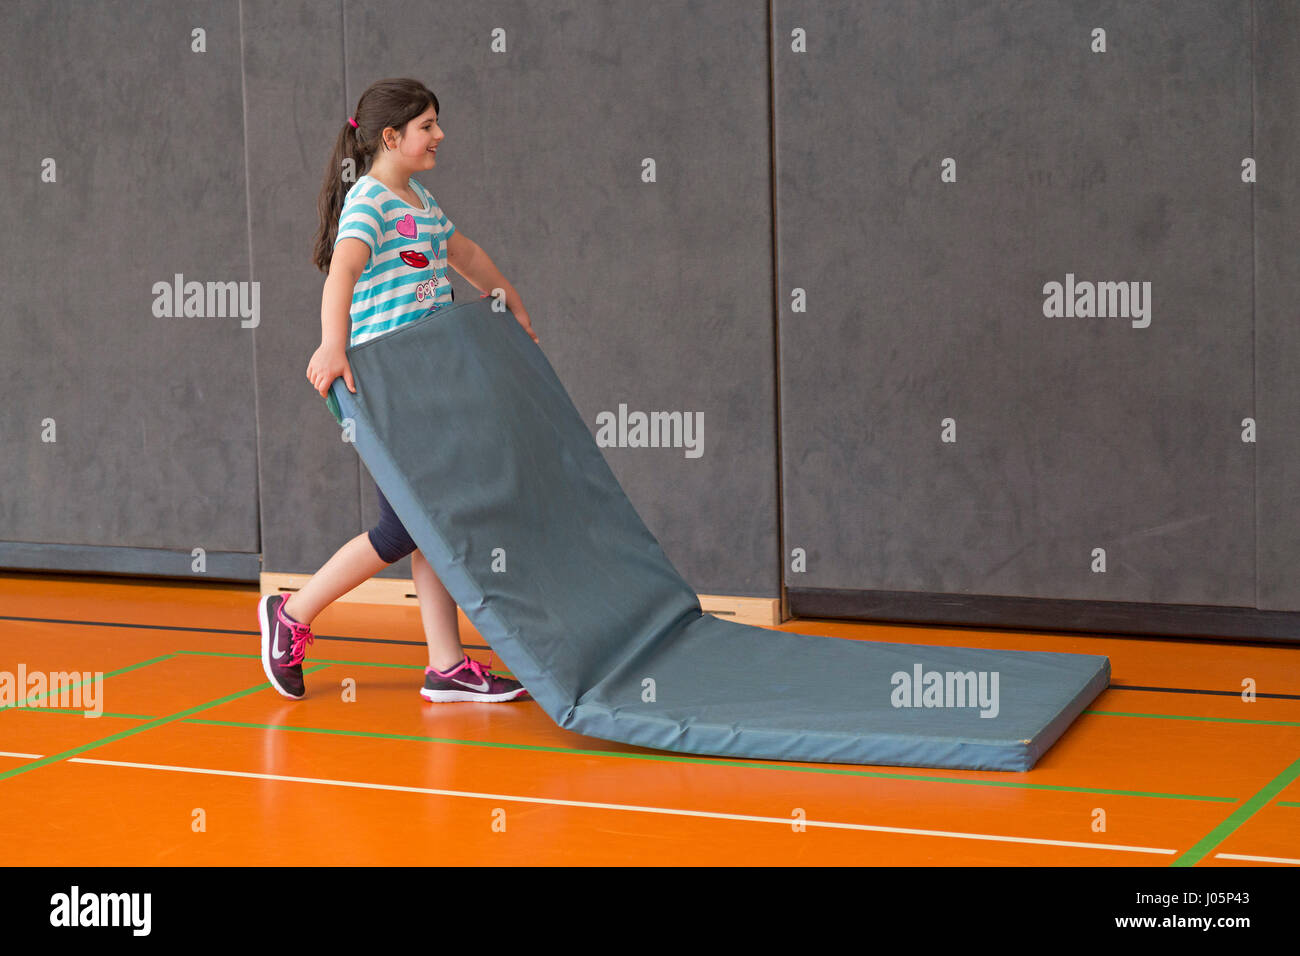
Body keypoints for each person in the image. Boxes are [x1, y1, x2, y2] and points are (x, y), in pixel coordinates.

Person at [258, 78, 538, 704]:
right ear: (392, 136)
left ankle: (447, 665)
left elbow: (461, 251)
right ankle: (292, 613)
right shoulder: (369, 201)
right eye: (428, 125)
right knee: (401, 528)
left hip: (428, 382)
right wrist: (333, 344)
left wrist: (507, 295)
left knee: (427, 522)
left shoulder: (418, 199)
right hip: (385, 386)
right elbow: (343, 273)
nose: (440, 135)